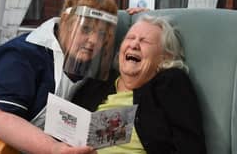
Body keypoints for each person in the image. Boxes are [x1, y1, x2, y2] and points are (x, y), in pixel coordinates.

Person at [0, 0, 118, 154]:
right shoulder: (21, 55)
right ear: (66, 21)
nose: (93, 40)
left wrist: (139, 18)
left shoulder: (93, 68)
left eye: (101, 33)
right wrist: (55, 149)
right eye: (86, 29)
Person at [72, 15, 207, 154]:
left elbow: (192, 148)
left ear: (165, 57)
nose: (134, 44)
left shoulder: (171, 83)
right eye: (130, 38)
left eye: (145, 41)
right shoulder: (97, 83)